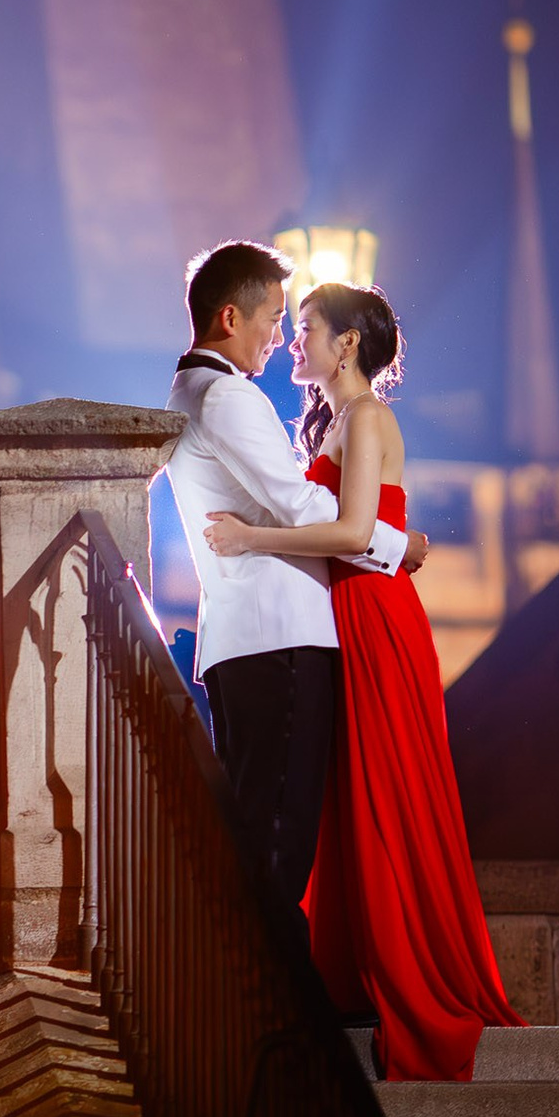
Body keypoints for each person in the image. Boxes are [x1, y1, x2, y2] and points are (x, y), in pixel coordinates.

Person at [204, 281, 523, 1081]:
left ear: (346, 345)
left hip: (375, 621)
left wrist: (252, 538)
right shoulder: (335, 421)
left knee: (387, 792)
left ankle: (413, 977)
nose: (295, 342)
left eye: (306, 328)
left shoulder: (369, 417)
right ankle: (350, 974)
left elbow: (349, 532)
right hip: (344, 617)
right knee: (346, 800)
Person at [164, 242, 417, 911]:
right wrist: (398, 542)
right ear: (229, 317)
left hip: (244, 641)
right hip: (279, 639)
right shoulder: (227, 398)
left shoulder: (190, 392)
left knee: (260, 831)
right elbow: (302, 505)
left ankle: (261, 996)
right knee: (281, 838)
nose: (277, 339)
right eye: (272, 320)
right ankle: (269, 1007)